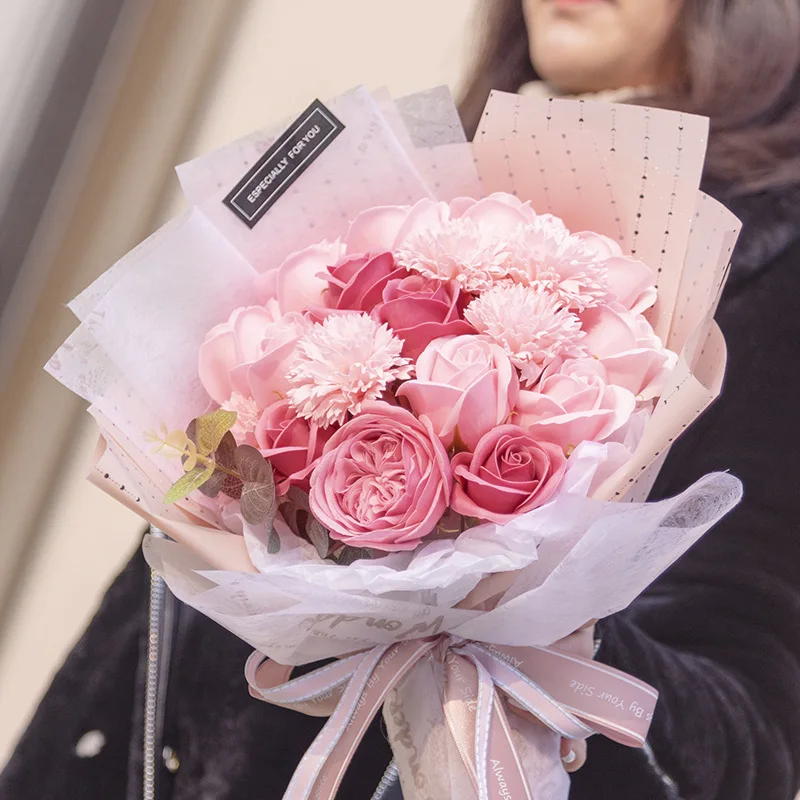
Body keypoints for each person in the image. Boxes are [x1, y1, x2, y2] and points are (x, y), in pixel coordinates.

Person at [3, 1, 800, 798]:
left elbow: (746, 735)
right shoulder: (410, 201)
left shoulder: (771, 268)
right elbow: (153, 634)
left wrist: (509, 601)